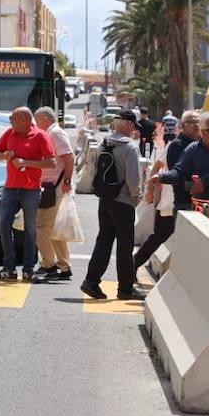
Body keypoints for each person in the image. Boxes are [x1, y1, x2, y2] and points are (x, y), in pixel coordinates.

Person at [81, 109, 143, 301]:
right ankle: (125, 289)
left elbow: (94, 171)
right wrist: (136, 198)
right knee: (125, 247)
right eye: (134, 127)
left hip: (105, 199)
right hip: (123, 202)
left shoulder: (103, 143)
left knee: (104, 241)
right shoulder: (130, 147)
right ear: (130, 125)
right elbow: (133, 180)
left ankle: (91, 281)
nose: (135, 131)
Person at [0, 107, 56, 281]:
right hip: (11, 188)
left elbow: (51, 162)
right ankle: (9, 268)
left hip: (31, 190)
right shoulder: (9, 133)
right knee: (4, 225)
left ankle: (28, 269)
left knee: (30, 229)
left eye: (13, 119)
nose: (10, 122)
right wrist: (4, 155)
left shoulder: (40, 136)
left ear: (24, 120)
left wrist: (26, 162)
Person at [134, 110, 199, 271]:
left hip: (188, 201)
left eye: (199, 121)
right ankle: (132, 266)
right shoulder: (177, 145)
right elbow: (161, 167)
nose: (197, 125)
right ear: (183, 125)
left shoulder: (199, 145)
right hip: (172, 200)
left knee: (164, 236)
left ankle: (132, 266)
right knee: (159, 236)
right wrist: (150, 189)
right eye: (193, 122)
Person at [156, 111, 209, 205]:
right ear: (203, 132)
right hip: (199, 204)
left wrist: (204, 181)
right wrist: (160, 177)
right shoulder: (194, 148)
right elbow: (179, 171)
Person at [33, 106, 74, 281]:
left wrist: (67, 181)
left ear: (44, 118)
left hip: (54, 188)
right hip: (52, 186)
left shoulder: (55, 133)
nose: (35, 124)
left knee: (41, 226)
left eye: (37, 120)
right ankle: (64, 266)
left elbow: (68, 157)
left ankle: (48, 264)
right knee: (54, 228)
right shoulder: (51, 133)